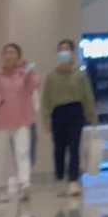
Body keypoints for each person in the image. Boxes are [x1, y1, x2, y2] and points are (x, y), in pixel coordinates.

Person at [40, 40, 96, 199]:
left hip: (75, 111)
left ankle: (73, 181)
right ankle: (59, 178)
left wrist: (91, 114)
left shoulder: (80, 75)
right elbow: (46, 100)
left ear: (73, 53)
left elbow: (87, 96)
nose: (63, 52)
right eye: (60, 50)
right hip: (58, 113)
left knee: (74, 146)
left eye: (66, 49)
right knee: (59, 148)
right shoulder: (51, 77)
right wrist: (46, 119)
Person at [0, 44, 39, 203]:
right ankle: (1, 188)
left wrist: (29, 71)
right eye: (6, 52)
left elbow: (33, 86)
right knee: (1, 156)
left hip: (21, 121)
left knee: (23, 153)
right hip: (0, 123)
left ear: (19, 56)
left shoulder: (23, 74)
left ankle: (25, 185)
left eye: (12, 52)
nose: (9, 55)